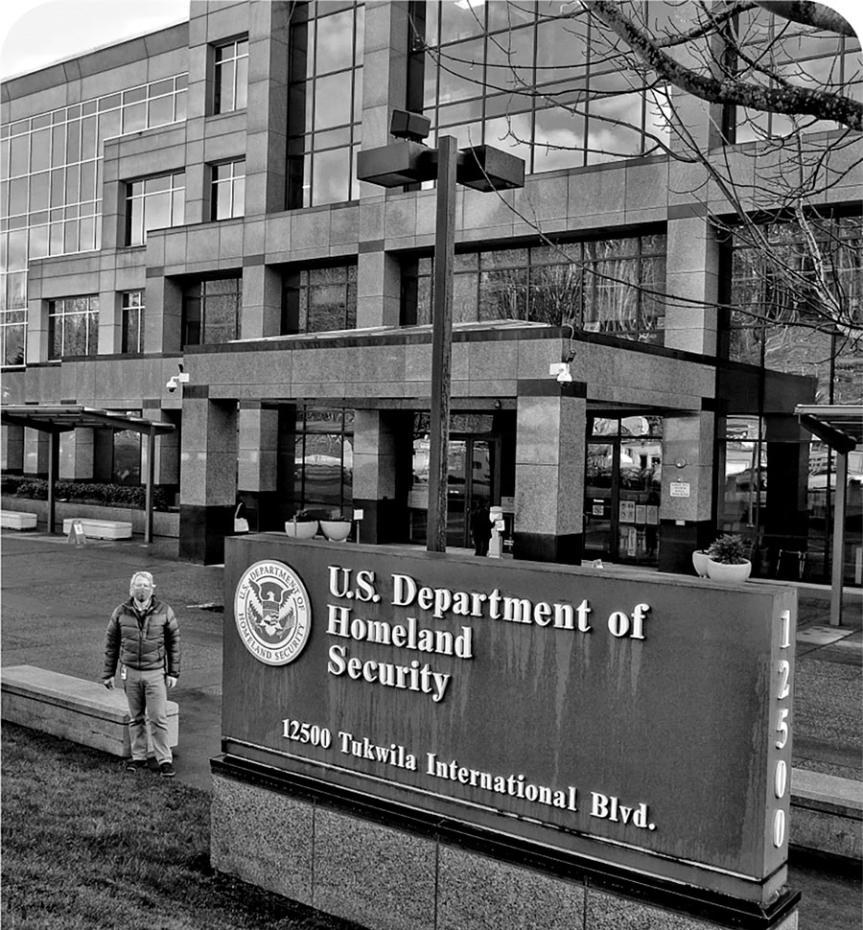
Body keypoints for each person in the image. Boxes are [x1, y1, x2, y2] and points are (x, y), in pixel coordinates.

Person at [102, 571, 181, 778]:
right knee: (136, 718)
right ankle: (138, 757)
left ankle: (164, 760)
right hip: (131, 673)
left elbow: (174, 643)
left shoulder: (164, 611)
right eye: (138, 585)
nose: (142, 589)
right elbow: (112, 644)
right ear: (131, 589)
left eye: (146, 585)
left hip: (155, 672)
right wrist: (108, 673)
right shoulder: (120, 612)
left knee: (158, 718)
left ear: (153, 588)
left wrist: (173, 672)